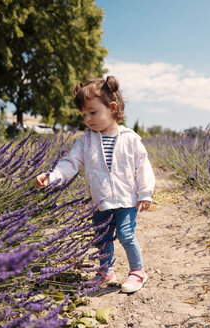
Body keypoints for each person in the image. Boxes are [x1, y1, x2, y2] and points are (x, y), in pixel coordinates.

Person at [35, 76, 155, 293]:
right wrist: (51, 177)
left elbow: (142, 166)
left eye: (93, 112)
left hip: (126, 199)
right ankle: (106, 271)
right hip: (99, 200)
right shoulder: (85, 141)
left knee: (126, 234)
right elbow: (69, 163)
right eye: (84, 115)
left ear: (112, 108)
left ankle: (138, 271)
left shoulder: (130, 138)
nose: (88, 119)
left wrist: (145, 193)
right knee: (102, 237)